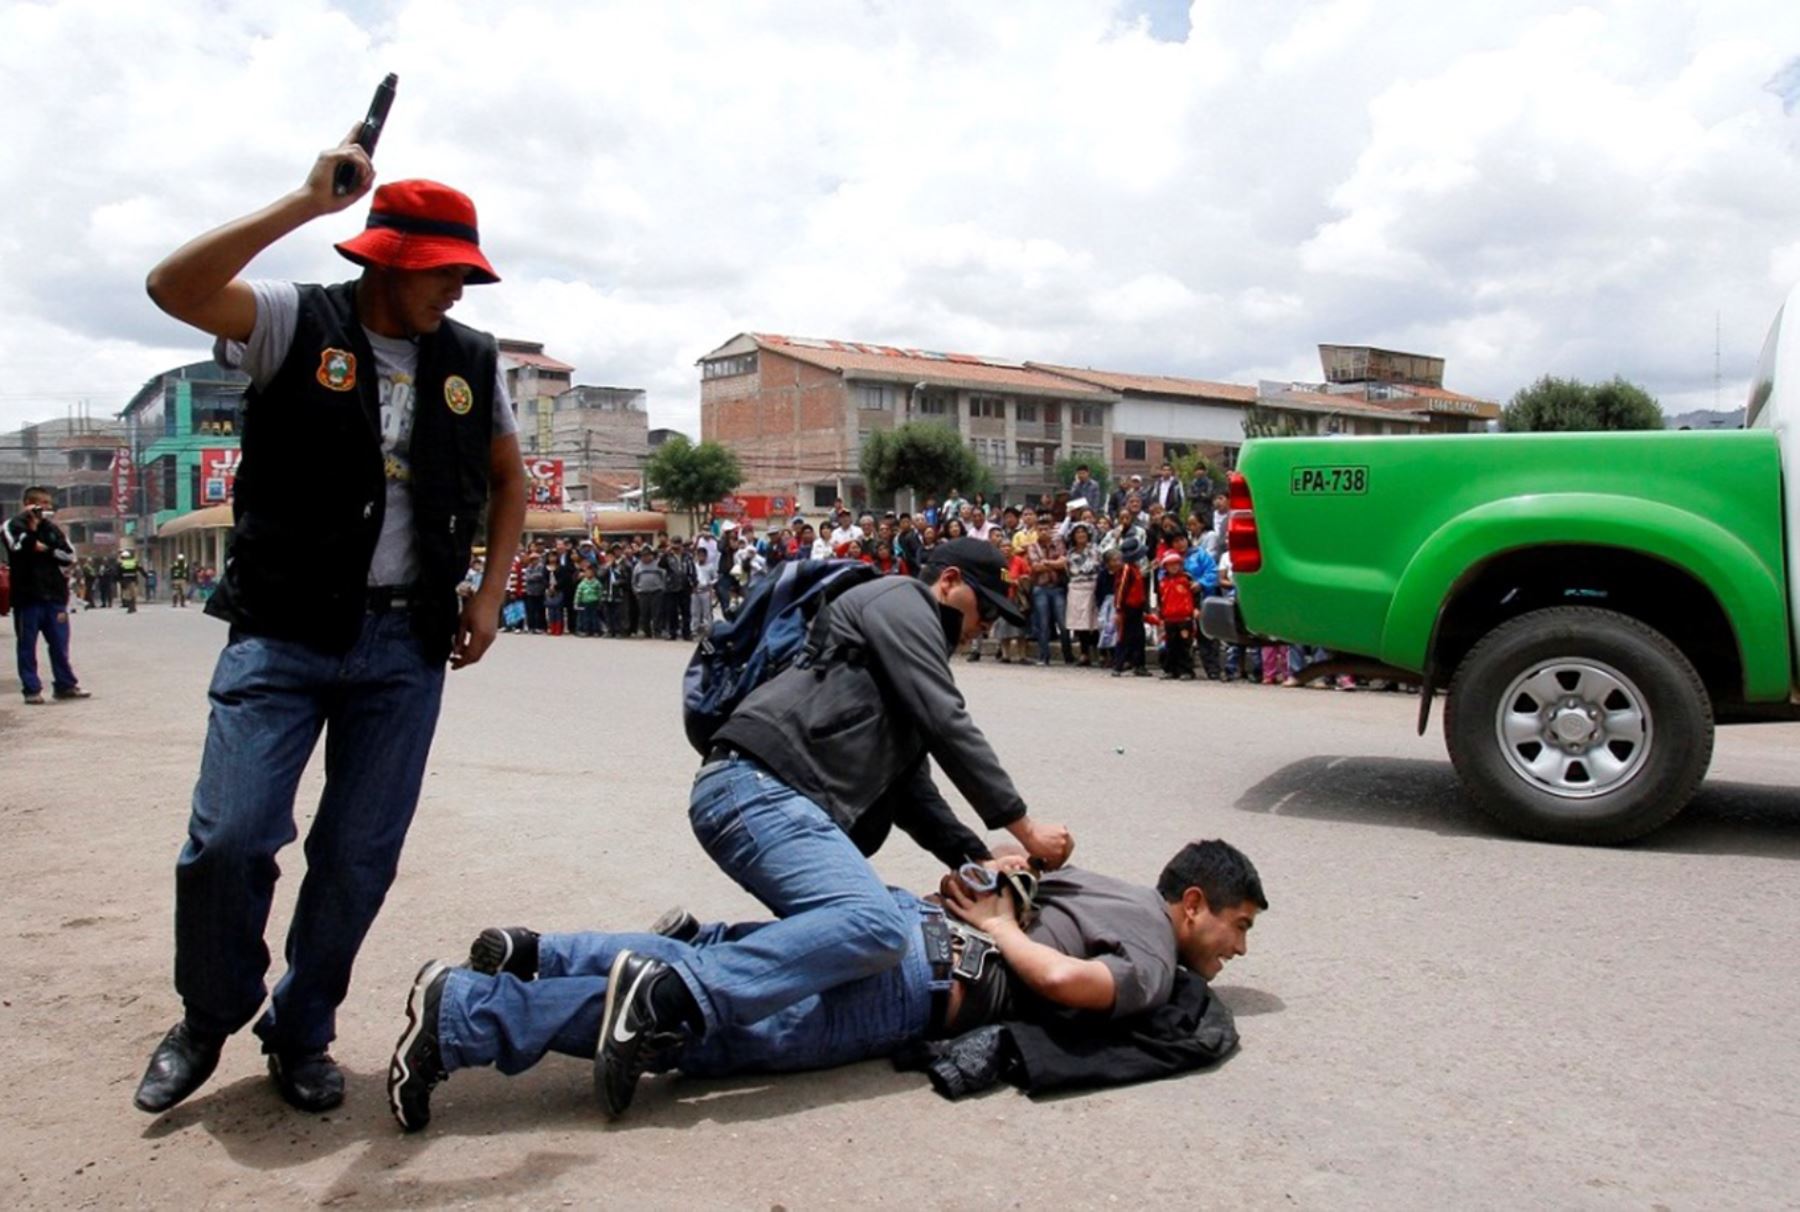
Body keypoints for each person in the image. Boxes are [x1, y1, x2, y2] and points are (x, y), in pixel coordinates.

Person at [131, 135, 525, 1117]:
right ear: (388, 259)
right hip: (281, 632)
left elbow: (511, 478)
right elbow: (170, 286)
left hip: (405, 649)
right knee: (228, 840)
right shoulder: (287, 321)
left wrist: (487, 593)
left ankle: (301, 1031)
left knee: (357, 857)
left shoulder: (472, 363)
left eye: (470, 276)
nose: (461, 294)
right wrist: (305, 202)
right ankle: (206, 1015)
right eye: (447, 273)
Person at [589, 538, 1076, 1117]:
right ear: (949, 581)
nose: (986, 626)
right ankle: (667, 993)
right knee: (873, 926)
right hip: (757, 788)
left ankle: (543, 963)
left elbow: (911, 790)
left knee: (833, 944)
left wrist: (975, 862)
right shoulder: (901, 602)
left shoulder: (901, 655)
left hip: (769, 797)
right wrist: (1024, 828)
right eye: (986, 608)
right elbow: (949, 720)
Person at [385, 839, 1266, 1130]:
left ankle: (534, 954)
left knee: (712, 969)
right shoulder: (1153, 953)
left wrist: (996, 900)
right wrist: (1000, 931)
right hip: (917, 981)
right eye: (1240, 927)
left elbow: (996, 867)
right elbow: (1074, 984)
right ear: (1195, 904)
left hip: (896, 924)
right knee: (700, 1025)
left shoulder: (1107, 885)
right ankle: (465, 1016)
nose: (1238, 950)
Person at [4, 487, 88, 705]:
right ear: (28, 503)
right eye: (42, 503)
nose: (47, 508)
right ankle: (31, 689)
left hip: (55, 597)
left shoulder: (53, 530)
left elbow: (68, 556)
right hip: (27, 598)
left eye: (49, 504)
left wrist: (47, 550)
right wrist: (32, 533)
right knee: (27, 645)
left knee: (60, 644)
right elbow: (17, 546)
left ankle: (65, 685)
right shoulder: (12, 525)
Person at [1111, 536, 1149, 677]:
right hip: (1128, 608)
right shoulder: (1127, 569)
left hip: (1136, 607)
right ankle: (1118, 665)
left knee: (1139, 637)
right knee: (1125, 637)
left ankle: (1139, 665)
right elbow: (1121, 589)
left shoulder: (1134, 568)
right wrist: (1119, 609)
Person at [1063, 523, 1100, 666]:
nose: (1080, 535)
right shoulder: (1070, 553)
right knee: (1079, 622)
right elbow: (1069, 571)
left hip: (1092, 587)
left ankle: (1098, 652)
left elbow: (1094, 566)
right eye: (1077, 532)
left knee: (1094, 621)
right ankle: (1084, 653)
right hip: (1076, 588)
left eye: (1083, 532)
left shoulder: (1095, 550)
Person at [1156, 551, 1197, 680]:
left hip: (1185, 617)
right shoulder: (1162, 582)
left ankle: (1186, 670)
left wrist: (1196, 608)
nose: (1174, 567)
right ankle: (1170, 670)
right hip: (1169, 618)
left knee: (1184, 645)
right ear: (1165, 567)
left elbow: (1195, 595)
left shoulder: (1187, 579)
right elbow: (1160, 600)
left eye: (1176, 564)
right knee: (1171, 645)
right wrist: (1160, 615)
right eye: (1170, 564)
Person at [633, 547, 666, 637]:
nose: (646, 557)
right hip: (643, 593)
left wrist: (662, 588)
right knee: (644, 613)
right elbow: (634, 580)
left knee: (657, 613)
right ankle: (646, 632)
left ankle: (657, 631)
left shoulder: (658, 565)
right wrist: (636, 591)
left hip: (656, 592)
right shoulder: (638, 566)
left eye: (648, 555)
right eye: (644, 556)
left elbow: (664, 577)